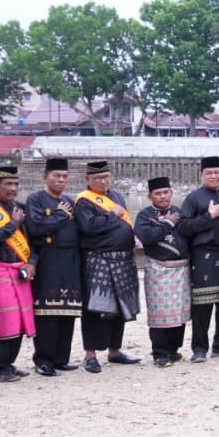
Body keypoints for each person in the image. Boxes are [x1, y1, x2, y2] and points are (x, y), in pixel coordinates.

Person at [75, 160, 142, 373]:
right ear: (87, 179)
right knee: (95, 307)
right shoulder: (83, 201)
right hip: (99, 260)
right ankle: (90, 355)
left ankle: (115, 351)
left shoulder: (116, 196)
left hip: (123, 259)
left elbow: (122, 223)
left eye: (105, 177)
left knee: (119, 308)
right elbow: (90, 227)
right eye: (97, 178)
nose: (103, 181)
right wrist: (112, 214)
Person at [178, 156, 219, 362]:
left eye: (217, 172)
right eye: (209, 173)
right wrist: (209, 216)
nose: (214, 176)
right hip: (204, 254)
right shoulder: (193, 198)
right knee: (202, 305)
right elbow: (183, 227)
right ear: (201, 175)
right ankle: (199, 349)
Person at [0, 166, 36, 382]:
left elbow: (33, 241)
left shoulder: (20, 207)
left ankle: (9, 363)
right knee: (3, 320)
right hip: (0, 271)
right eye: (8, 184)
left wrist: (32, 263)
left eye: (16, 184)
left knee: (20, 320)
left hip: (21, 271)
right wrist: (14, 223)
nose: (13, 188)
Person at [25, 158, 81, 375]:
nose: (61, 180)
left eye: (65, 176)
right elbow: (36, 227)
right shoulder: (36, 199)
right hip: (48, 259)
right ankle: (44, 360)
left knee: (68, 309)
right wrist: (60, 215)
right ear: (45, 177)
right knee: (46, 312)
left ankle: (60, 359)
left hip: (71, 260)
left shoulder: (69, 200)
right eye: (57, 176)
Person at [134, 177, 191, 368]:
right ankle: (159, 353)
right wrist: (167, 223)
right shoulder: (144, 216)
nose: (163, 196)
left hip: (181, 269)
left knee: (179, 312)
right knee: (159, 312)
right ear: (149, 196)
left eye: (166, 192)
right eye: (158, 193)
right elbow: (146, 237)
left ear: (171, 193)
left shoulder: (180, 212)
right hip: (158, 269)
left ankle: (174, 350)